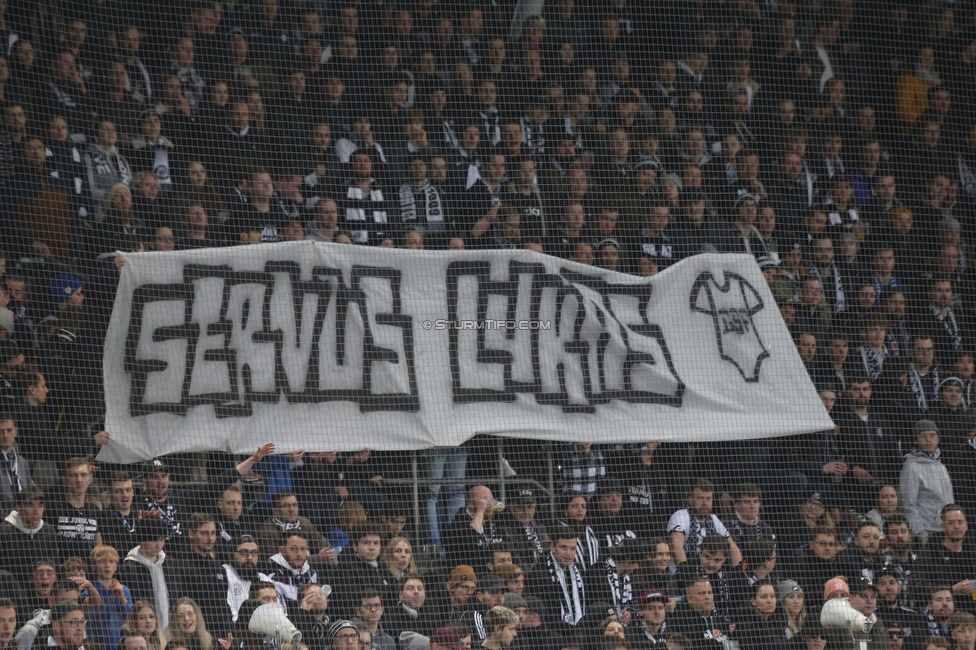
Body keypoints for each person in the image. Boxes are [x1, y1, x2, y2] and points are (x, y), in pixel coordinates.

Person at [900, 421, 954, 542]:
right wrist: (921, 534)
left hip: (946, 533)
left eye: (932, 435)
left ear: (938, 439)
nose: (928, 439)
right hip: (927, 535)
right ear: (915, 440)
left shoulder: (941, 466)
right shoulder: (911, 467)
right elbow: (908, 505)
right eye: (923, 436)